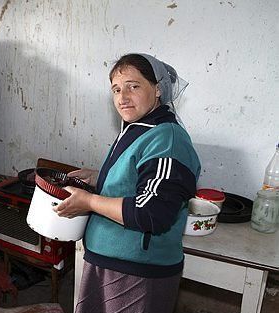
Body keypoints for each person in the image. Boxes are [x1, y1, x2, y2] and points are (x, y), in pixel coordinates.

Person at [54, 53, 201, 313]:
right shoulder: (137, 129)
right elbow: (138, 181)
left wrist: (88, 201)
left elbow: (152, 212)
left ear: (157, 89)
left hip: (138, 273)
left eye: (134, 86)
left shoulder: (167, 139)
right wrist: (100, 177)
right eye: (116, 89)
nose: (123, 97)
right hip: (110, 261)